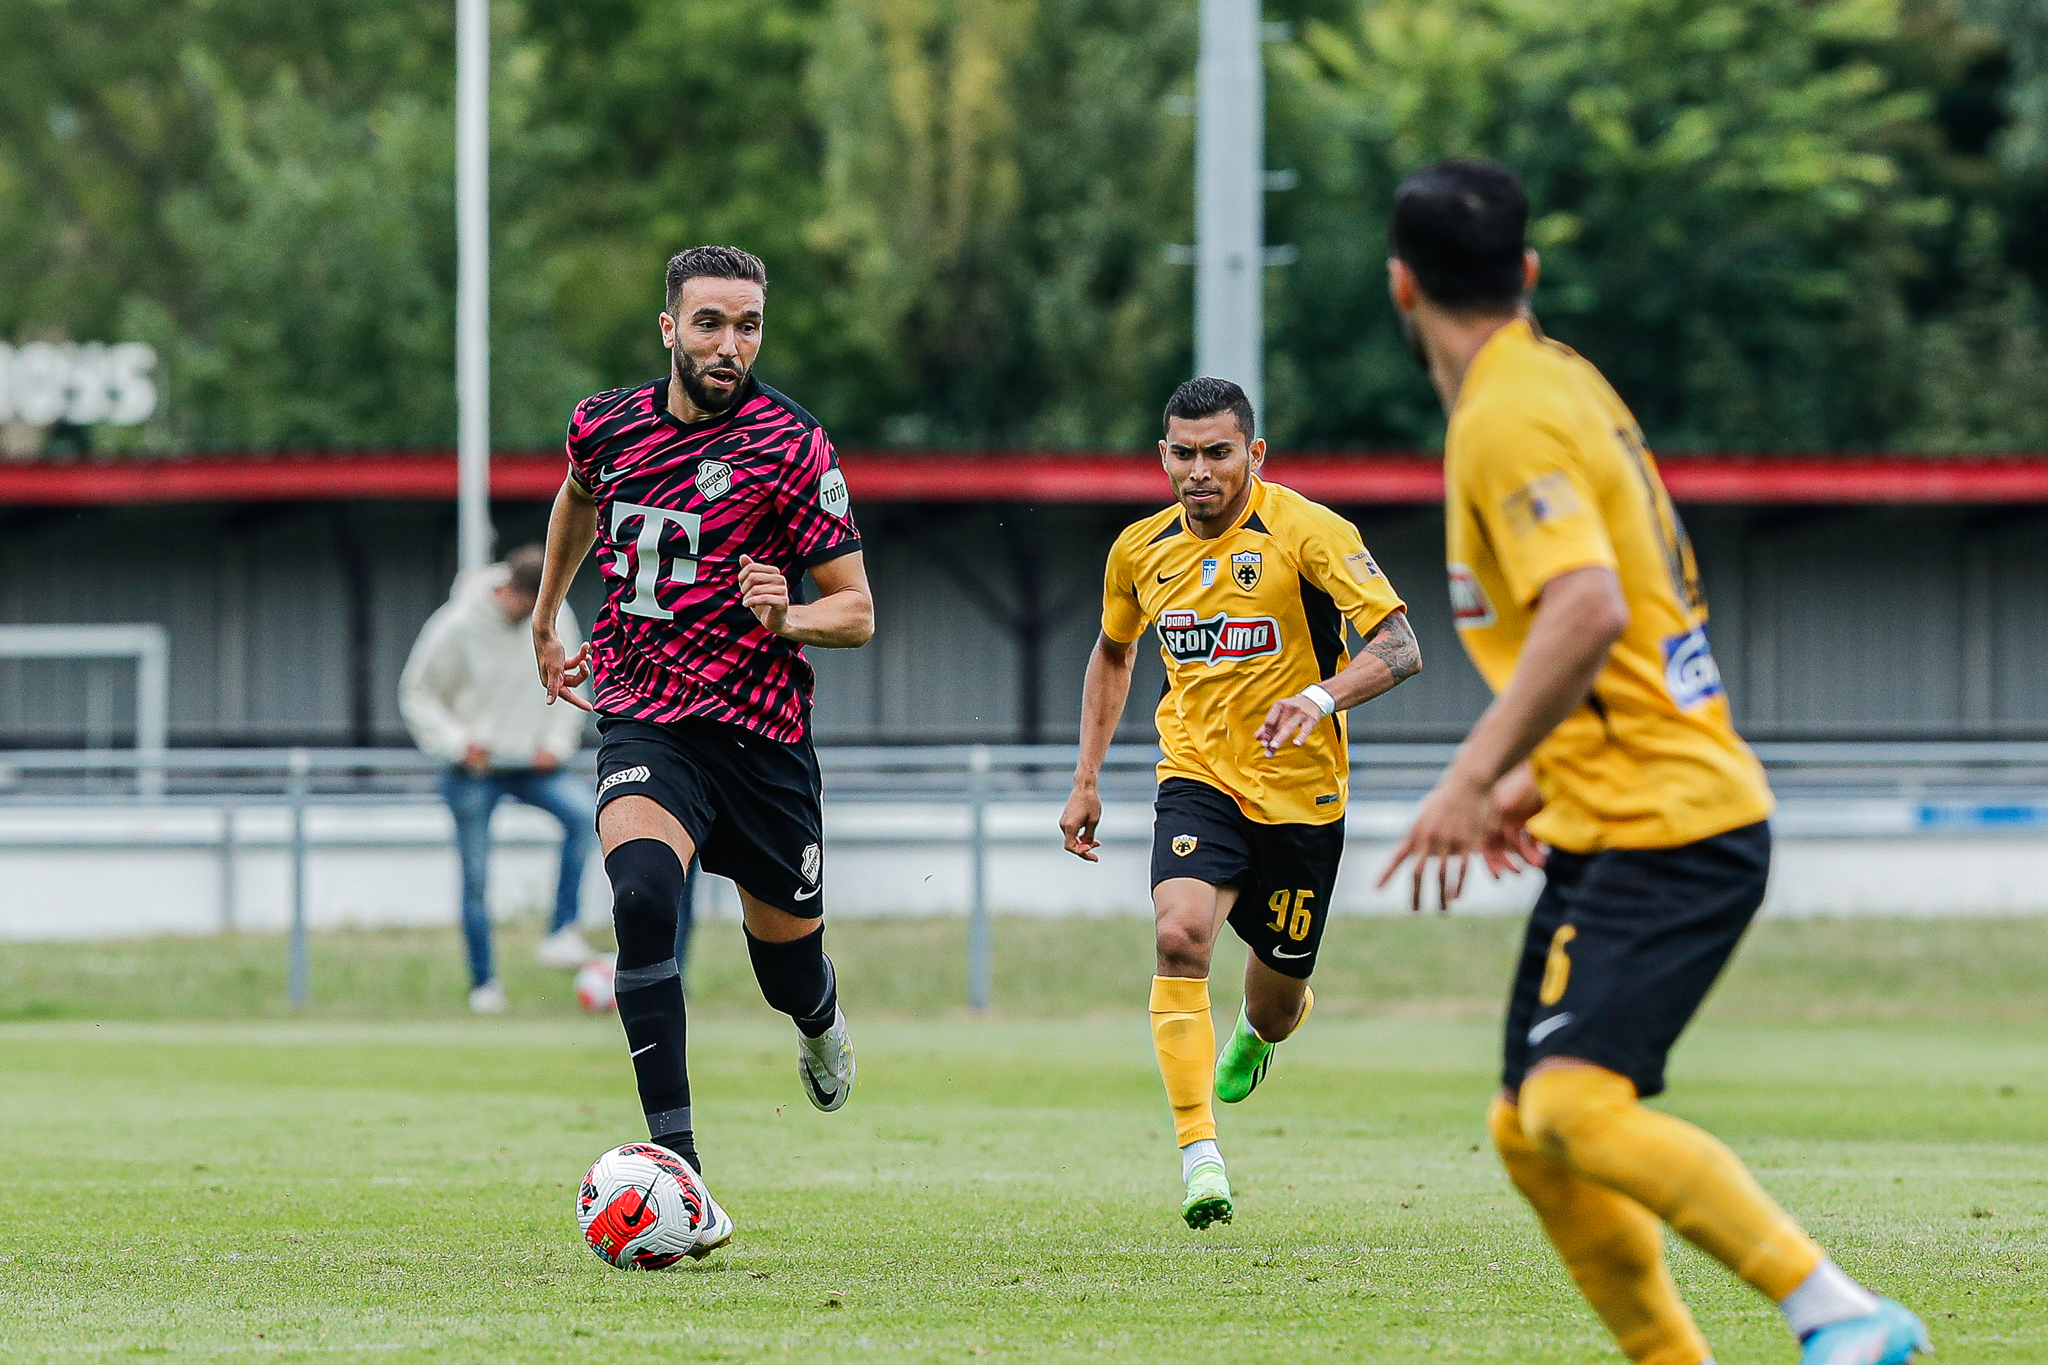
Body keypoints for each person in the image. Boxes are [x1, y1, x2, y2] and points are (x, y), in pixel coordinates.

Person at [1377, 159, 1929, 1365]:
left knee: (1572, 1105)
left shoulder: (1508, 415)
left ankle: (1838, 1314)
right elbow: (1648, 601)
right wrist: (1534, 778)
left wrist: (1470, 777)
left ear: (1398, 286)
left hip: (1666, 823)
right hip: (1617, 806)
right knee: (1529, 1128)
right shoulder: (1562, 383)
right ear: (1524, 274)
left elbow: (1585, 611)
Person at [530, 244, 873, 1260]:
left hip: (761, 742)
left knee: (786, 972)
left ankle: (818, 1017)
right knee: (639, 899)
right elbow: (577, 499)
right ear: (668, 329)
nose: (731, 345)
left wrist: (789, 617)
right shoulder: (605, 424)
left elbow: (855, 612)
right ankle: (683, 1177)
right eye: (711, 323)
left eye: (749, 325)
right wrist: (549, 616)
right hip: (646, 717)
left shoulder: (791, 445)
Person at [1059, 377, 1421, 1229]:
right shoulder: (1139, 550)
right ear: (1163, 457)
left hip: (1301, 798)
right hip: (1198, 779)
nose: (1199, 470)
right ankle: (1199, 1154)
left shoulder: (1311, 532)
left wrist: (1322, 699)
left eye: (1218, 452)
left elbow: (1401, 647)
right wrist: (1086, 778)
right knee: (1179, 935)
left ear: (1253, 454)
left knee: (1274, 1005)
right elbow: (1113, 655)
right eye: (1182, 453)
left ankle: (1261, 1035)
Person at [400, 545, 596, 1013]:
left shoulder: (553, 612)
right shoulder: (457, 624)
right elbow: (418, 692)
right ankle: (484, 985)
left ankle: (561, 929)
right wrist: (456, 743)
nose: (532, 616)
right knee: (476, 876)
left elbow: (571, 677)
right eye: (525, 605)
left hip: (533, 763)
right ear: (506, 590)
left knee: (585, 816)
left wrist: (556, 744)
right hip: (474, 768)